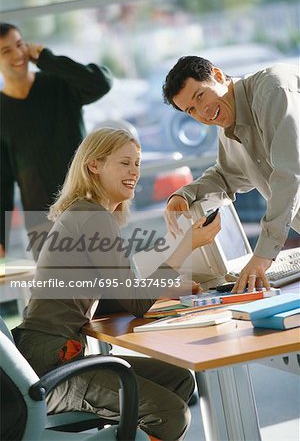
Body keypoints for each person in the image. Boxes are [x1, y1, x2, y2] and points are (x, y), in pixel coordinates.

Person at [13, 127, 221, 441]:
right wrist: (188, 244)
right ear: (94, 165)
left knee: (177, 379)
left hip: (51, 353)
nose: (135, 172)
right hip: (49, 364)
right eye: (124, 163)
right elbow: (135, 302)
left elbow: (112, 299)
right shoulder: (93, 217)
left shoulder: (85, 214)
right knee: (170, 413)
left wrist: (167, 289)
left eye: (137, 163)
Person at [162, 56, 300, 294]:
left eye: (200, 95)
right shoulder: (228, 132)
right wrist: (183, 195)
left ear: (217, 75)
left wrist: (263, 255)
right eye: (191, 110)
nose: (202, 112)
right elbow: (225, 176)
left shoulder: (272, 90)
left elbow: (290, 172)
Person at [0, 22, 113, 258]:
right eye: (6, 51)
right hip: (42, 222)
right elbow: (3, 180)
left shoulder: (59, 84)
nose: (18, 54)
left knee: (111, 288)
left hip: (89, 205)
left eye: (20, 45)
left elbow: (101, 83)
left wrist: (46, 59)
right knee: (59, 293)